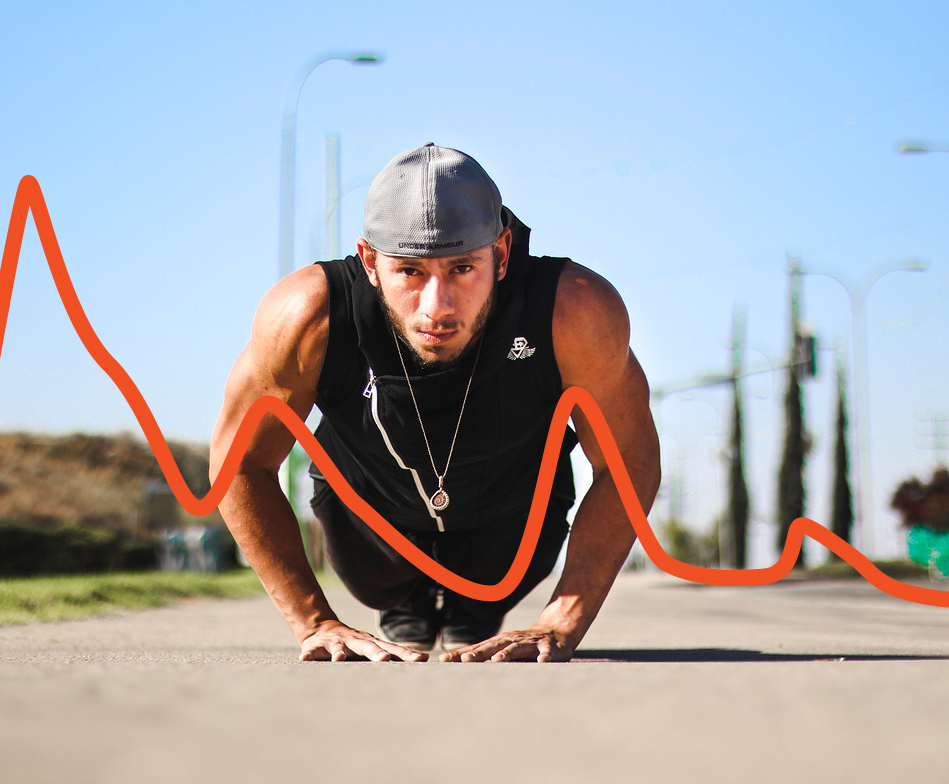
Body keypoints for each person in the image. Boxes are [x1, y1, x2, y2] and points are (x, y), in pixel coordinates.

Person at [209, 143, 660, 663]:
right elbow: (239, 462)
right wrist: (314, 622)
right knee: (389, 591)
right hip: (371, 528)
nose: (437, 308)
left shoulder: (573, 311)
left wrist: (561, 621)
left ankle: (474, 605)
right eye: (411, 272)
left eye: (462, 269)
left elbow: (629, 458)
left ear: (503, 254)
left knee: (484, 591)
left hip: (510, 529)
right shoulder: (306, 317)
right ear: (370, 261)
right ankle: (407, 601)